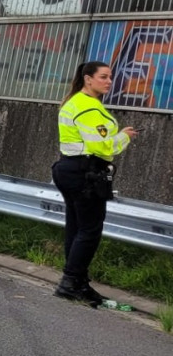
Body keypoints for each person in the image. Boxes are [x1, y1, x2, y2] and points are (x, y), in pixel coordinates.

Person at [50, 61, 137, 305]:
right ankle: (70, 282)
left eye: (110, 77)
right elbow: (104, 147)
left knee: (76, 228)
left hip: (68, 168)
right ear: (88, 79)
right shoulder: (88, 107)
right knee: (90, 230)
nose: (109, 81)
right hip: (84, 172)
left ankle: (77, 282)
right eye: (103, 77)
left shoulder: (75, 101)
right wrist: (124, 137)